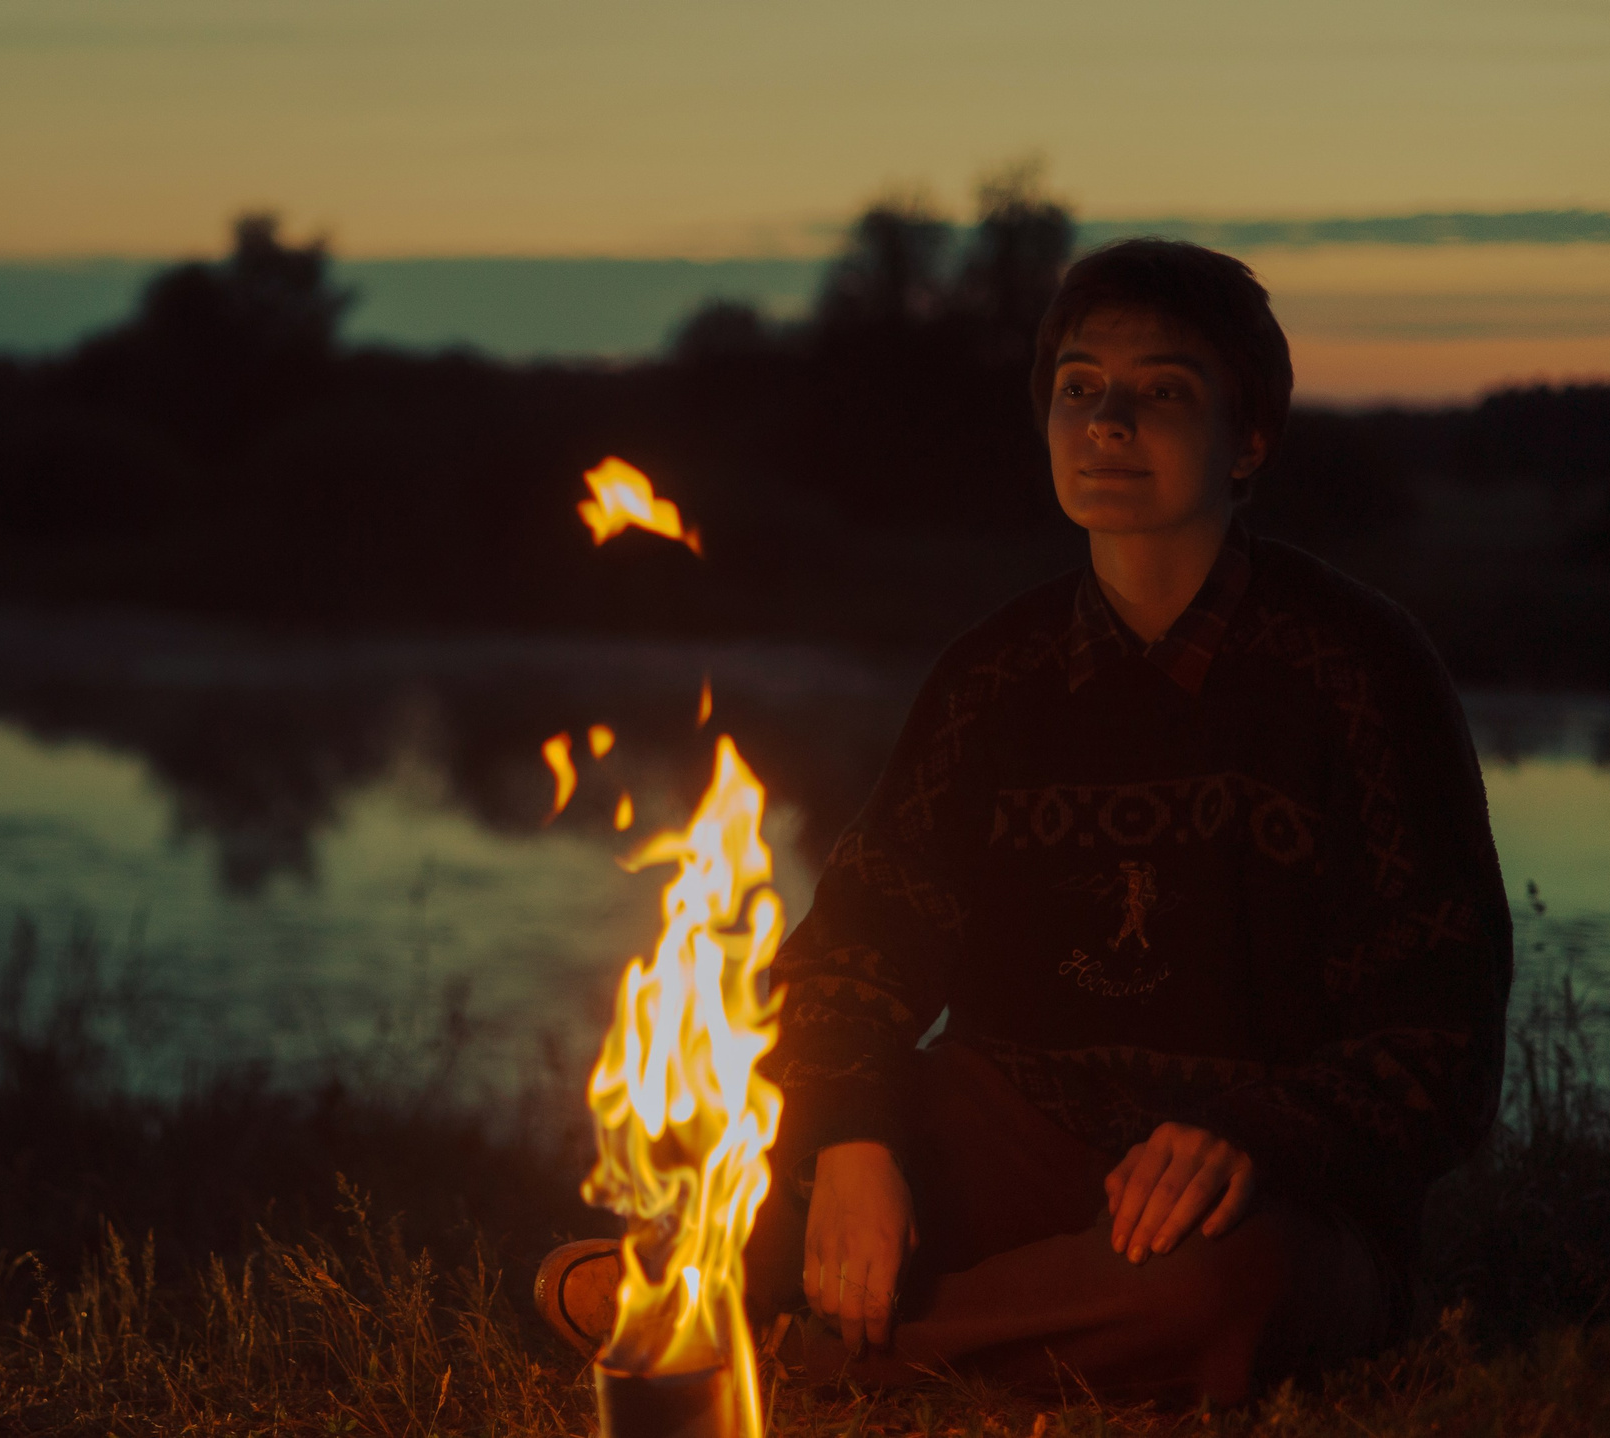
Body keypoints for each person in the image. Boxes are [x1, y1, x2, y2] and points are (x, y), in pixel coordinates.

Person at [536, 240, 1512, 1406]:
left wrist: (1246, 1131)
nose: (1107, 421)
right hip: (1014, 1135)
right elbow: (857, 947)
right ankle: (767, 1279)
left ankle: (789, 1347)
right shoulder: (991, 679)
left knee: (1210, 1292)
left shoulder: (1362, 672)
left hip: (1266, 1190)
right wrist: (851, 1138)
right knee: (785, 1179)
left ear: (1247, 438)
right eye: (1078, 388)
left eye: (1162, 391)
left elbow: (1440, 1042)